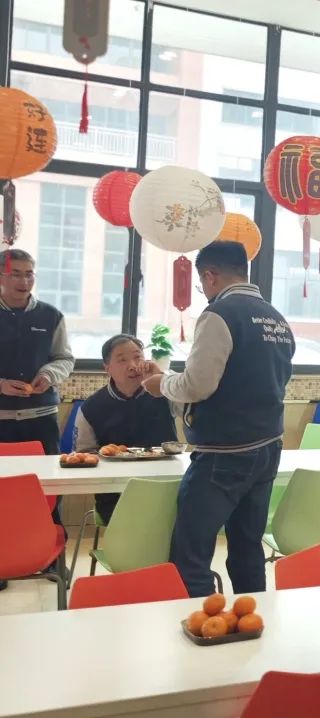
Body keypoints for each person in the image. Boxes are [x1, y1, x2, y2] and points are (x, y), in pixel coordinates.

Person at [142, 241, 294, 597]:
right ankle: (252, 618)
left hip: (225, 453)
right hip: (268, 446)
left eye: (202, 283)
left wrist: (161, 384)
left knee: (191, 553)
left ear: (209, 276)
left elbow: (198, 385)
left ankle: (201, 623)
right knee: (247, 547)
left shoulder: (220, 314)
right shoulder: (275, 318)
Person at [0, 248, 74, 591]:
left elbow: (64, 358)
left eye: (29, 273)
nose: (24, 280)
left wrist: (49, 375)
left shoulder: (51, 315)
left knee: (49, 489)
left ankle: (52, 560)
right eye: (16, 273)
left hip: (40, 418)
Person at [74, 335, 179, 524]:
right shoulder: (91, 407)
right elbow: (85, 454)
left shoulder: (165, 393)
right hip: (116, 495)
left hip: (166, 488)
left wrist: (163, 379)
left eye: (138, 357)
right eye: (122, 360)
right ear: (107, 368)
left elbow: (197, 408)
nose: (133, 365)